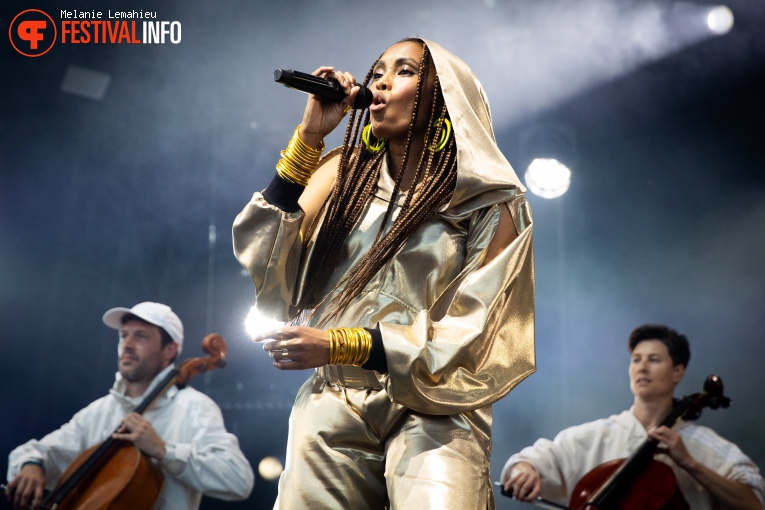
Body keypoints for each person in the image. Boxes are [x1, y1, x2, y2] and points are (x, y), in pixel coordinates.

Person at [232, 37, 535, 509]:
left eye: (405, 71)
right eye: (376, 74)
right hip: (333, 400)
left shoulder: (487, 199)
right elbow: (272, 267)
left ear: (442, 94)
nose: (382, 82)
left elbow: (481, 329)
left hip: (434, 407)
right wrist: (310, 138)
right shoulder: (342, 176)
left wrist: (341, 342)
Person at [5, 301, 255, 510]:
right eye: (123, 336)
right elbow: (40, 451)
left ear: (170, 350)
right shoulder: (101, 410)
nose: (127, 344)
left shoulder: (195, 407)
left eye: (141, 336)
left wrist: (164, 450)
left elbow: (238, 479)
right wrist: (32, 463)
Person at [500, 324, 764, 510]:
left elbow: (753, 502)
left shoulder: (706, 446)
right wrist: (525, 470)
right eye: (636, 359)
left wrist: (689, 463)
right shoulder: (597, 435)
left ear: (678, 372)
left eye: (654, 359)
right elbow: (534, 459)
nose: (642, 367)